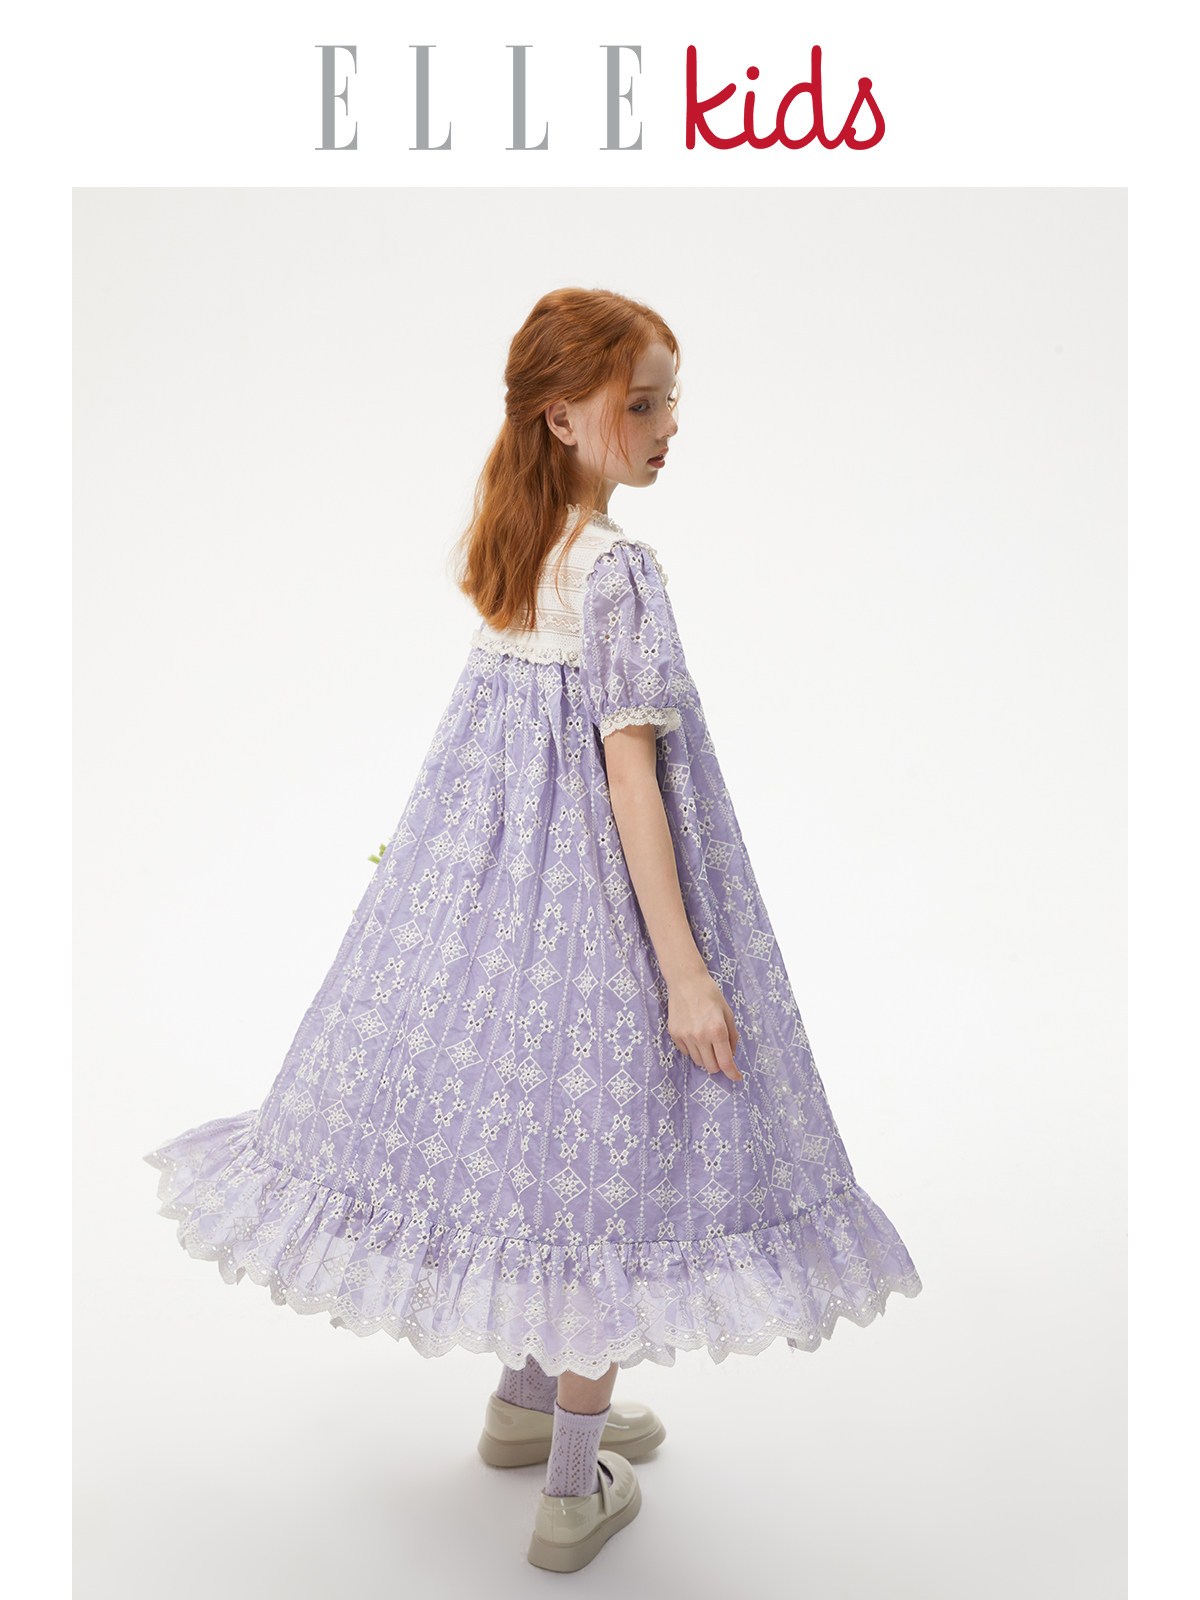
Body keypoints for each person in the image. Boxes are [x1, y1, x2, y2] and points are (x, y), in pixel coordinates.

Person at [145, 286, 923, 1573]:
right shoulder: (617, 572)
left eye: (671, 400)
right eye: (643, 403)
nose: (670, 426)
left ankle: (526, 1401)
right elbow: (629, 775)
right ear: (563, 416)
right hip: (602, 913)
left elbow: (488, 758)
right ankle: (573, 1484)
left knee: (532, 1140)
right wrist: (684, 968)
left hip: (502, 909)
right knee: (606, 1176)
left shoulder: (521, 543)